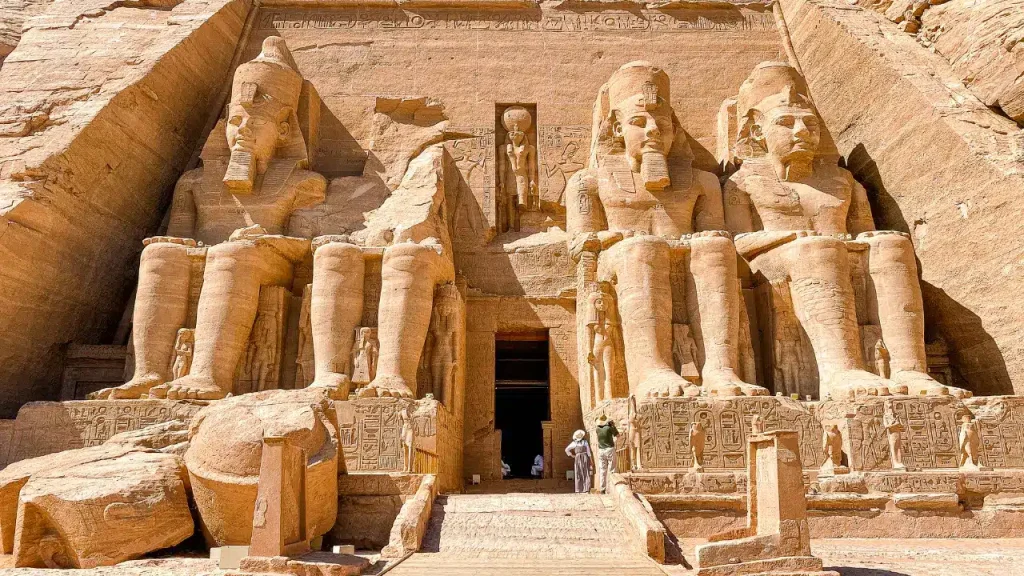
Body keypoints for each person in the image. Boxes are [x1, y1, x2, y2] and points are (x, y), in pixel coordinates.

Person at [595, 414, 619, 493]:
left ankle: (602, 489)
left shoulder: (597, 429)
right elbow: (618, 435)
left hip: (601, 450)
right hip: (609, 450)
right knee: (612, 469)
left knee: (602, 470)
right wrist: (613, 426)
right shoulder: (609, 428)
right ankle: (612, 489)